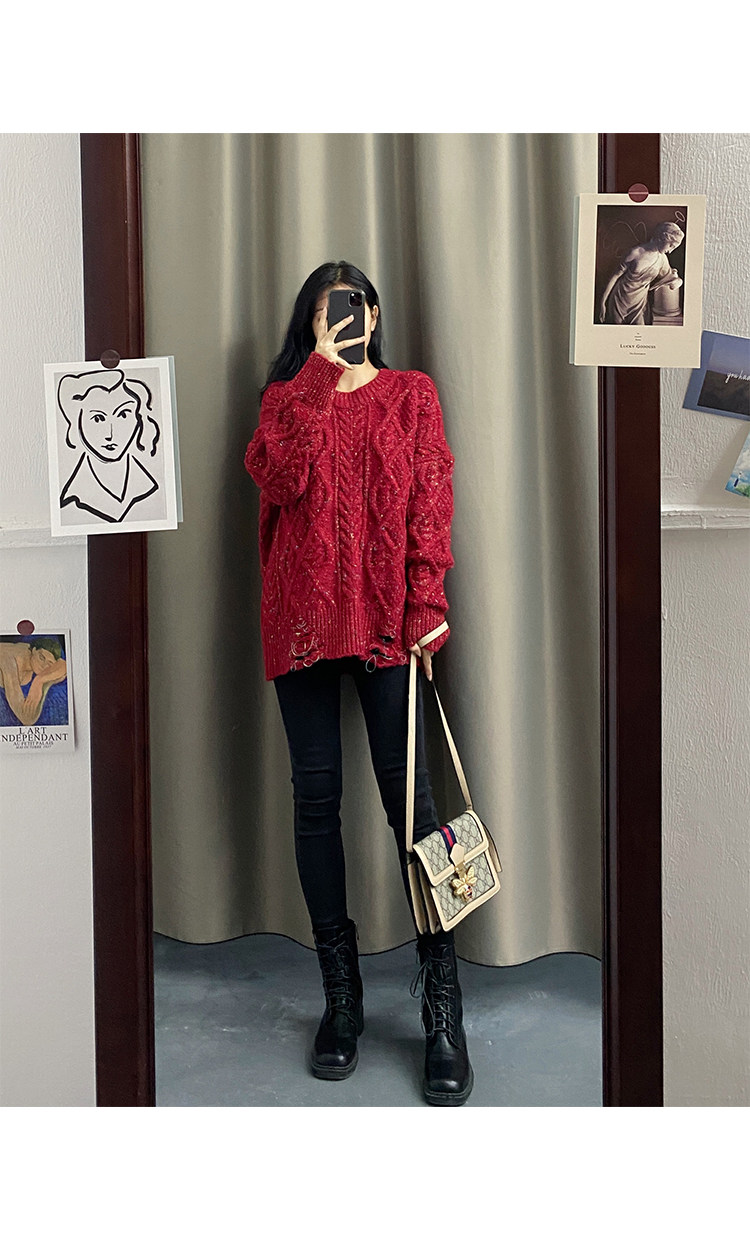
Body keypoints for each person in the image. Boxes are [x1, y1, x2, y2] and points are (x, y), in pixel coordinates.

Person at [244, 260, 472, 1106]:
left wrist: (426, 602)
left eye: (352, 308)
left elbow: (430, 503)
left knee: (415, 811)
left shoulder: (412, 395)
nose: (341, 320)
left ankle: (443, 1009)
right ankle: (341, 1001)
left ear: (375, 315)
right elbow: (280, 480)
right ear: (308, 324)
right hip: (302, 625)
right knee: (316, 802)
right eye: (324, 312)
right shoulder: (284, 400)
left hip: (386, 624)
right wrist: (315, 375)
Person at [599, 221, 685, 325]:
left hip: (639, 304)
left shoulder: (662, 259)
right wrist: (603, 302)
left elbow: (670, 276)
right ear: (663, 237)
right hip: (621, 300)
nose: (670, 251)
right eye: (671, 245)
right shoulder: (635, 253)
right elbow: (614, 277)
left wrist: (679, 281)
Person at [0, 638, 67, 727]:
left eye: (49, 664)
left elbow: (64, 665)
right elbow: (26, 718)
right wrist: (39, 681)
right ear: (34, 650)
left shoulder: (35, 657)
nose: (44, 666)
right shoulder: (9, 660)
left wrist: (43, 682)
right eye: (41, 658)